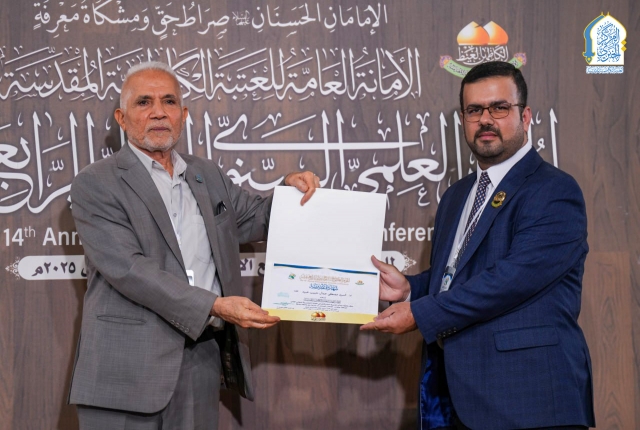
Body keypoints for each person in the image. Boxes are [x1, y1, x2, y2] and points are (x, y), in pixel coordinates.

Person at [68, 61, 319, 430]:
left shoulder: (207, 174)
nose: (158, 112)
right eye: (144, 102)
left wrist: (290, 191)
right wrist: (214, 305)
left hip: (200, 361)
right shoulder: (96, 183)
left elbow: (255, 218)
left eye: (169, 101)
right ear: (122, 118)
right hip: (125, 371)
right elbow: (129, 269)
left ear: (183, 115)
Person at [361, 61, 595, 430]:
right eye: (474, 110)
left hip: (531, 401)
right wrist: (410, 289)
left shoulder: (554, 190)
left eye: (499, 107)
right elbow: (458, 275)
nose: (485, 119)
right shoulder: (456, 196)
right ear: (463, 120)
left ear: (525, 116)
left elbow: (511, 280)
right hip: (460, 398)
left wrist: (421, 313)